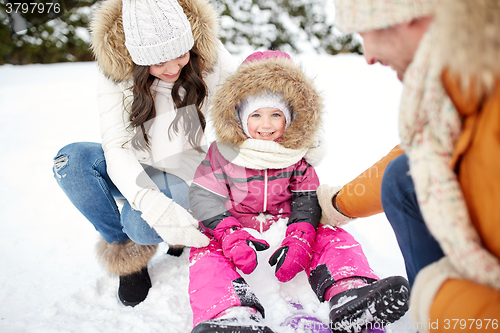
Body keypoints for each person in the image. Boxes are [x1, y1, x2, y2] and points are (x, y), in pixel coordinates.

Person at [187, 50, 410, 333]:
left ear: (290, 118)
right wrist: (229, 234)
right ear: (240, 117)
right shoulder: (223, 153)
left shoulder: (296, 156)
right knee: (204, 249)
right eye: (256, 114)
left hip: (286, 226)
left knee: (331, 234)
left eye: (275, 115)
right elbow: (203, 195)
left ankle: (350, 290)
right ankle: (229, 314)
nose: (266, 125)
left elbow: (306, 198)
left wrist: (301, 236)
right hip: (238, 231)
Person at [318, 0, 500, 330]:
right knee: (402, 177)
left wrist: (440, 299)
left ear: (409, 17)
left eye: (364, 34)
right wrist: (336, 205)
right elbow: (414, 159)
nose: (368, 56)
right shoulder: (460, 86)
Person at [52, 0, 238, 307]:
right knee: (70, 161)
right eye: (158, 61)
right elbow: (117, 146)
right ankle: (126, 250)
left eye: (180, 54)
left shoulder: (208, 52)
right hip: (138, 161)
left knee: (138, 223)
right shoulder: (116, 69)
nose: (173, 68)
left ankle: (162, 225)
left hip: (185, 163)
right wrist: (151, 202)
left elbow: (248, 101)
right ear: (138, 59)